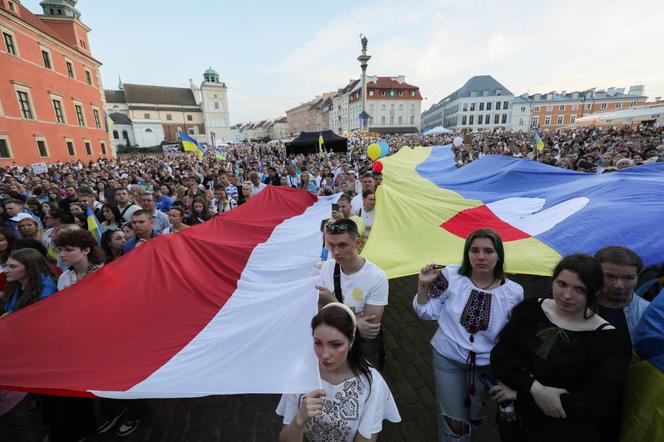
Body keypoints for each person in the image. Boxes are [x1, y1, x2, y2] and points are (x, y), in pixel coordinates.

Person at [490, 254, 631, 442]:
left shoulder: (609, 340)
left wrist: (519, 394)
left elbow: (597, 402)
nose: (567, 295)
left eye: (579, 289)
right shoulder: (530, 310)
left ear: (595, 291)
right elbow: (500, 358)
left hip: (565, 433)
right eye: (562, 284)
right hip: (516, 424)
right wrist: (535, 389)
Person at [414, 228, 524, 441]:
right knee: (455, 423)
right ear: (467, 253)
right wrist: (423, 286)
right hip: (448, 358)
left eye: (488, 251)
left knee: (475, 416)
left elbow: (512, 337)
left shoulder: (514, 292)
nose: (481, 256)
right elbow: (426, 313)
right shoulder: (451, 276)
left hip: (485, 366)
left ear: (499, 255)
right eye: (474, 250)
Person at [276, 302, 400, 441]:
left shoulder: (371, 384)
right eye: (318, 343)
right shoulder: (300, 373)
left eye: (336, 345)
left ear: (351, 341)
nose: (325, 355)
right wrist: (299, 420)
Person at [0, 248, 57, 442]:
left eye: (12, 266)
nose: (5, 270)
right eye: (6, 264)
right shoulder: (17, 285)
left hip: (39, 354)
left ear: (29, 268)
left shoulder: (46, 290)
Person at [317, 218, 387, 370]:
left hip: (361, 349)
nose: (335, 252)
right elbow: (321, 313)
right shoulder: (327, 268)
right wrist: (356, 321)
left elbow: (369, 331)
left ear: (358, 243)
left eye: (342, 245)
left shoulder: (377, 277)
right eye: (331, 245)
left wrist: (332, 301)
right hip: (334, 345)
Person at [594, 246, 650, 345]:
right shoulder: (576, 303)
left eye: (629, 278)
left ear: (638, 278)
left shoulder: (648, 314)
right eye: (610, 276)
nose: (619, 285)